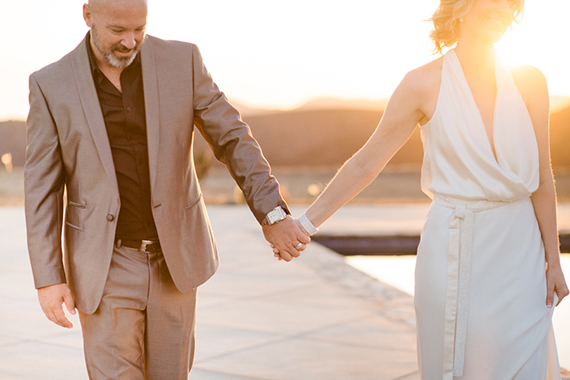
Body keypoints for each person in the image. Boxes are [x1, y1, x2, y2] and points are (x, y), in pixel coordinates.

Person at [279, 0, 569, 378]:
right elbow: (367, 162)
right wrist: (304, 224)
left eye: (511, 1)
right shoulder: (421, 83)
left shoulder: (531, 81)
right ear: (463, 6)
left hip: (520, 254)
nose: (503, 7)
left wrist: (554, 258)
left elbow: (542, 178)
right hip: (454, 249)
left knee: (525, 364)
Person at [24, 0, 310, 378]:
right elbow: (41, 186)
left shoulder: (183, 61)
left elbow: (233, 139)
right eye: (118, 31)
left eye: (139, 29)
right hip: (104, 265)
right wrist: (49, 277)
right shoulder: (50, 84)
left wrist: (273, 213)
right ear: (88, 15)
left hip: (174, 262)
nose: (130, 41)